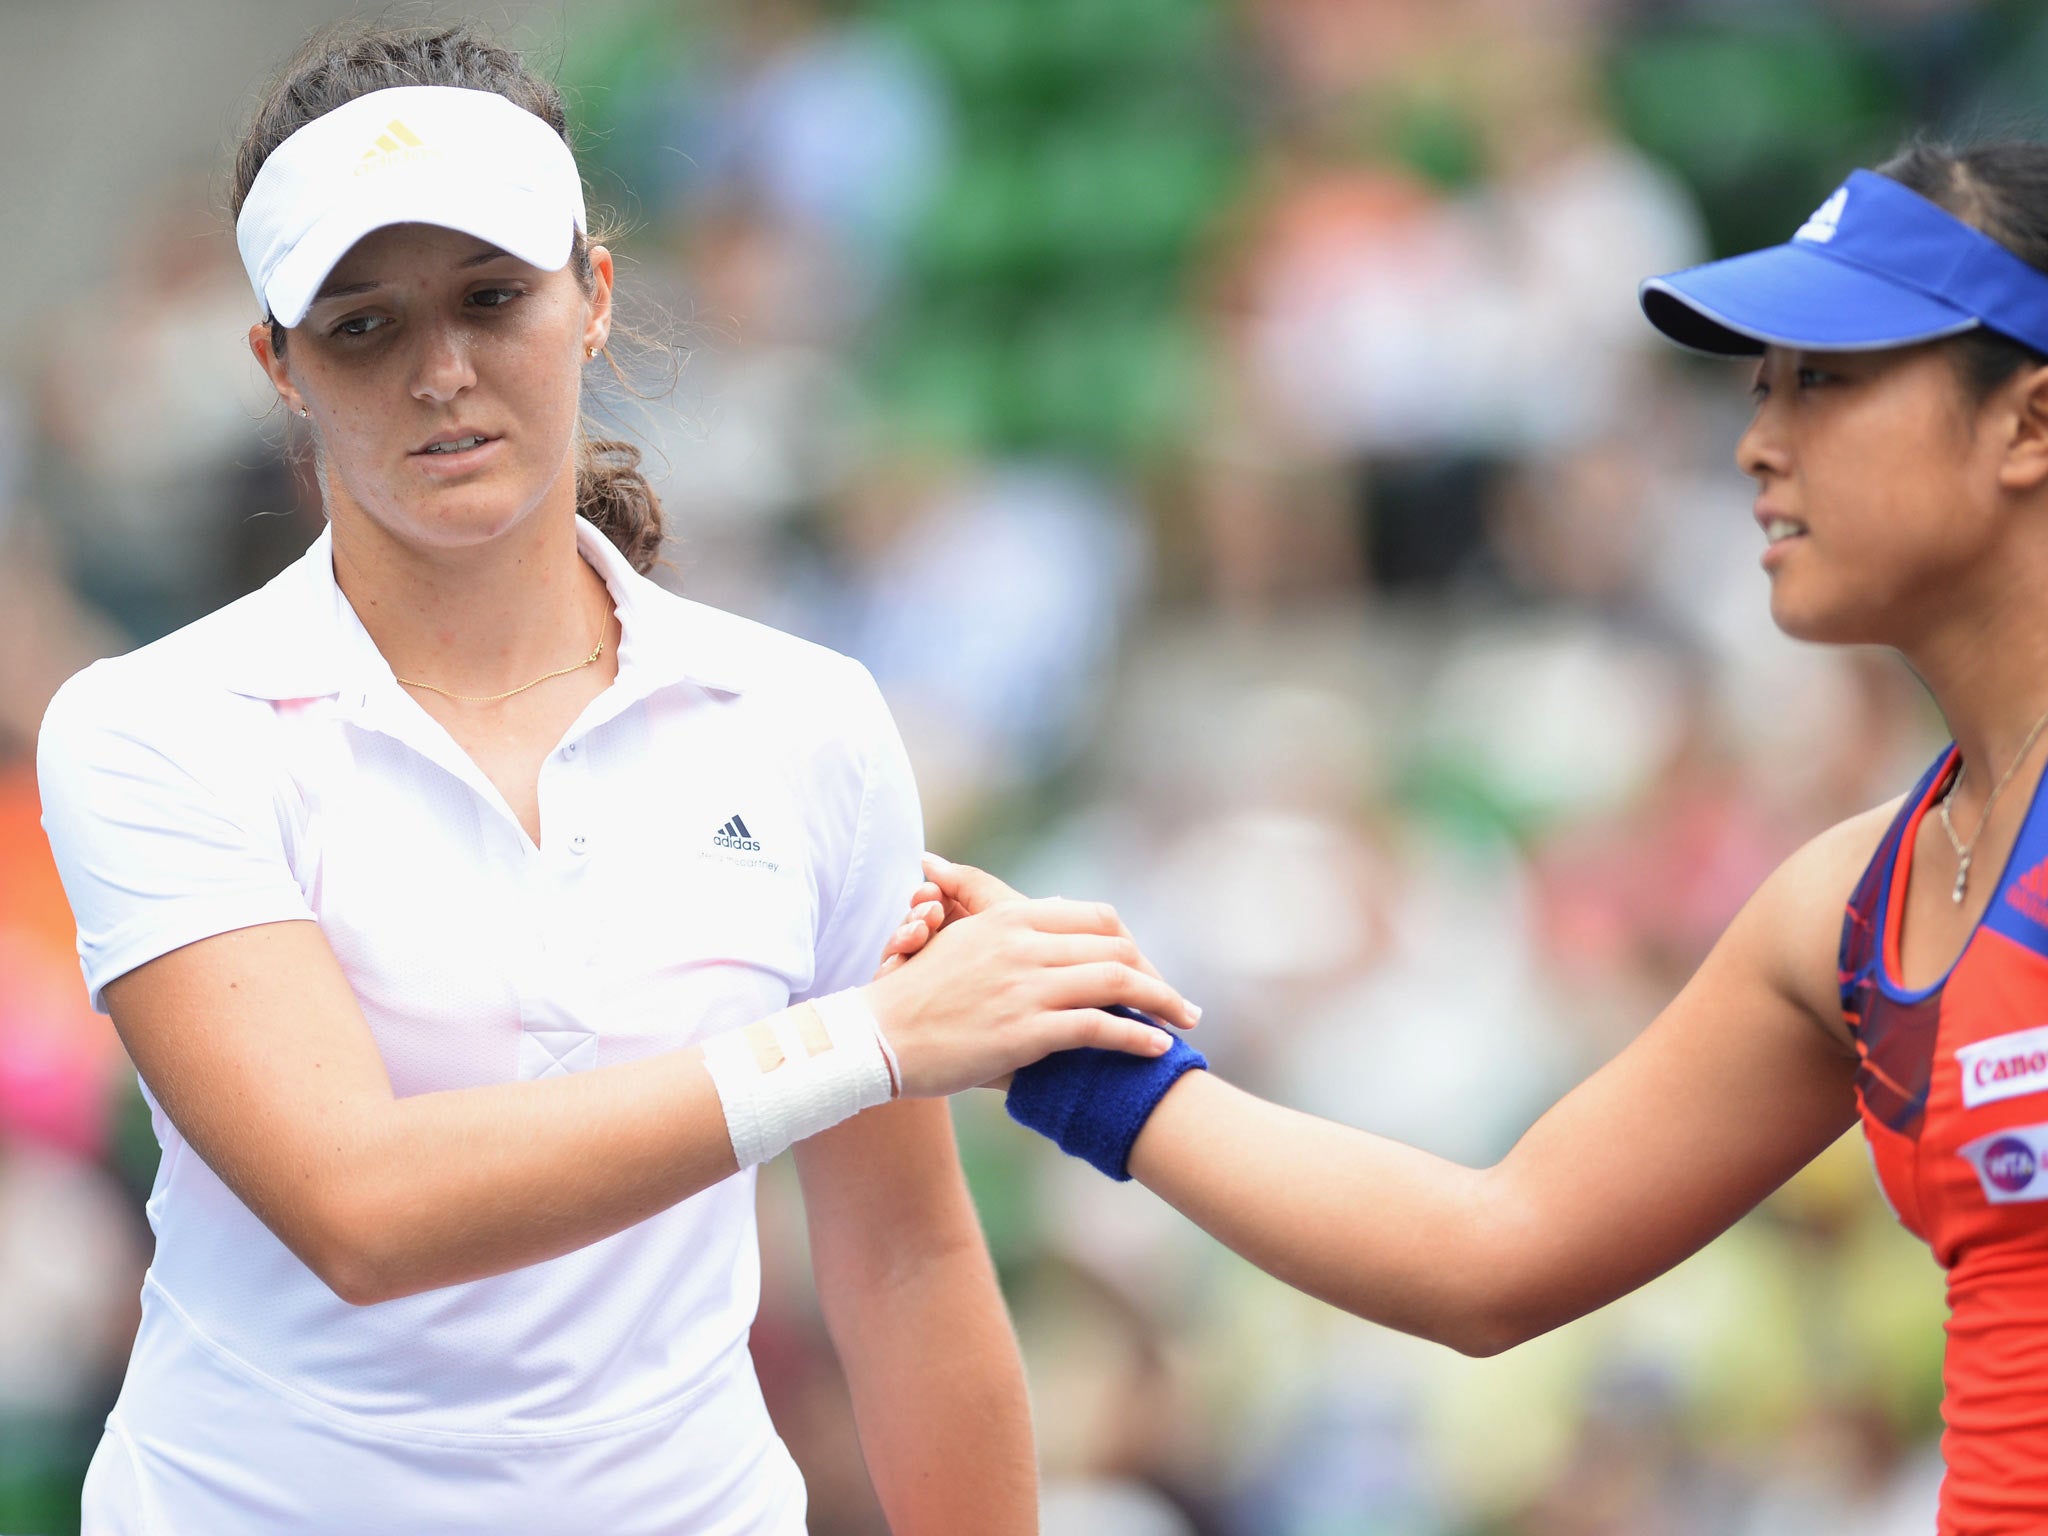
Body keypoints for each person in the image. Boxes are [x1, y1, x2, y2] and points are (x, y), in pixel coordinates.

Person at [34, 23, 1200, 1536]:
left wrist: (873, 1046)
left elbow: (903, 1263)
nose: (444, 371)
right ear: (277, 364)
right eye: (364, 326)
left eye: (492, 297)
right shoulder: (152, 723)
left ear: (591, 296)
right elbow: (363, 1209)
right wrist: (867, 1040)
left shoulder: (808, 720)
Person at [885, 142, 2048, 1535]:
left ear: (2029, 424)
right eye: (1759, 384)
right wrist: (1071, 1040)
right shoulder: (1852, 905)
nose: (1757, 439)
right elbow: (1491, 1253)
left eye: (1827, 379)